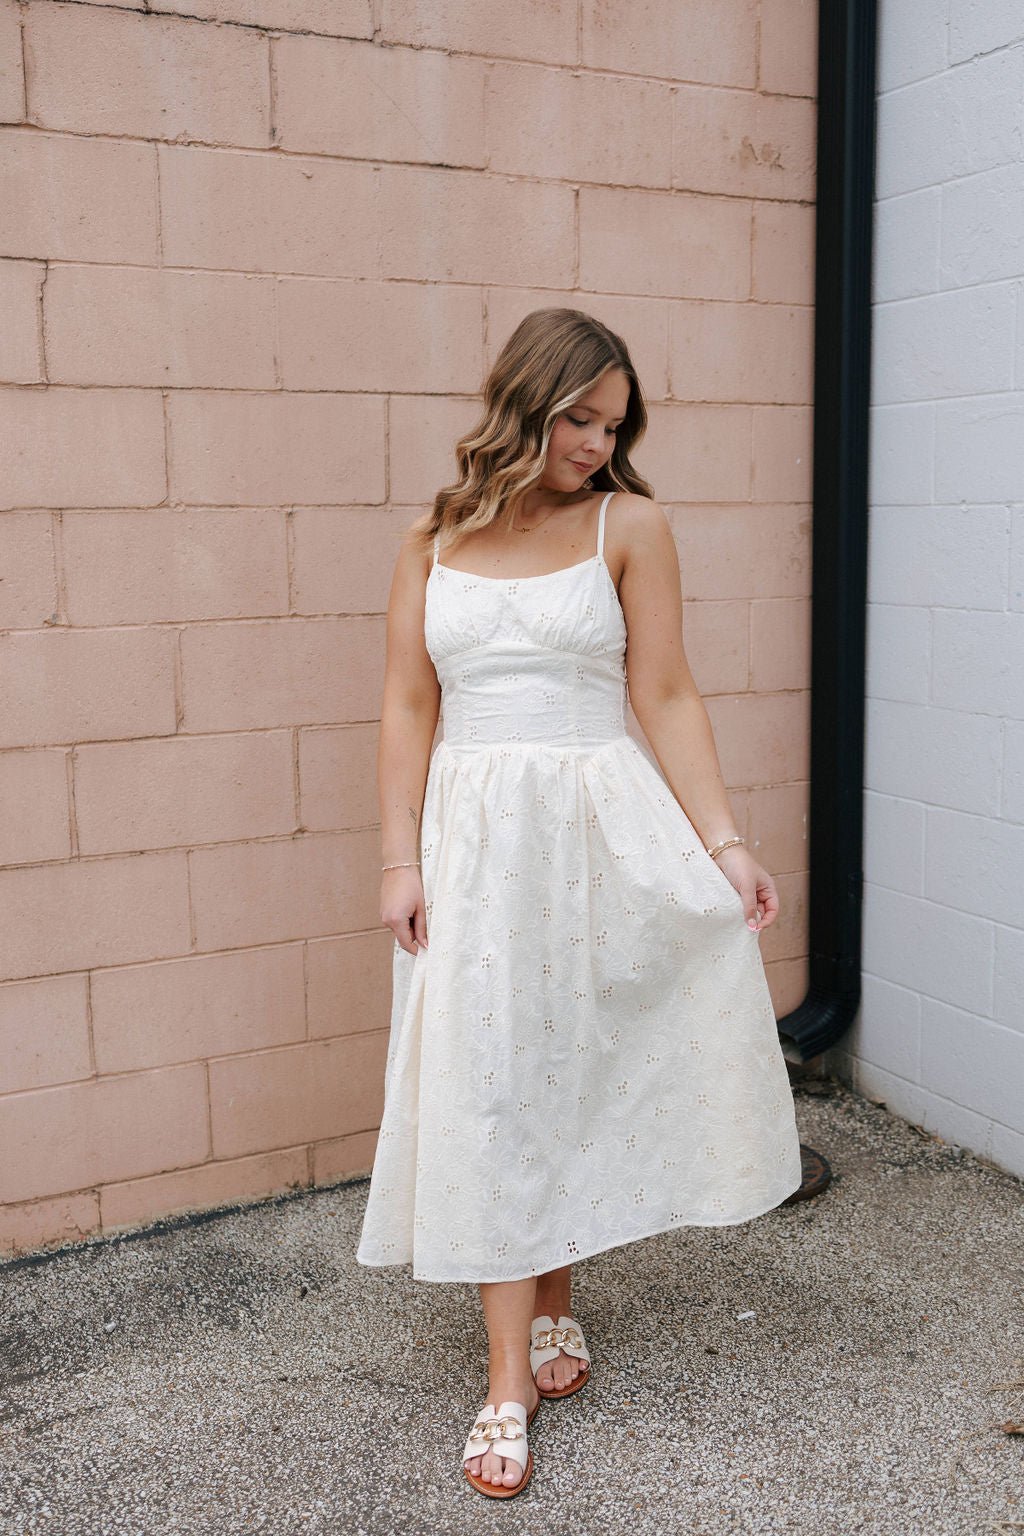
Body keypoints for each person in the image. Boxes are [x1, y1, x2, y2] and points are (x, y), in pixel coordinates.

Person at [356, 307, 803, 1498]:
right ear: (523, 405)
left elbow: (666, 692)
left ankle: (555, 1297)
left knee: (565, 1067)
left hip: (597, 831)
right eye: (578, 420)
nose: (598, 444)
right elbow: (407, 704)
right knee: (491, 1085)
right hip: (472, 845)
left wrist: (724, 845)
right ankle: (505, 1376)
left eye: (614, 425)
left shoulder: (629, 525)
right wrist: (397, 859)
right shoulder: (432, 539)